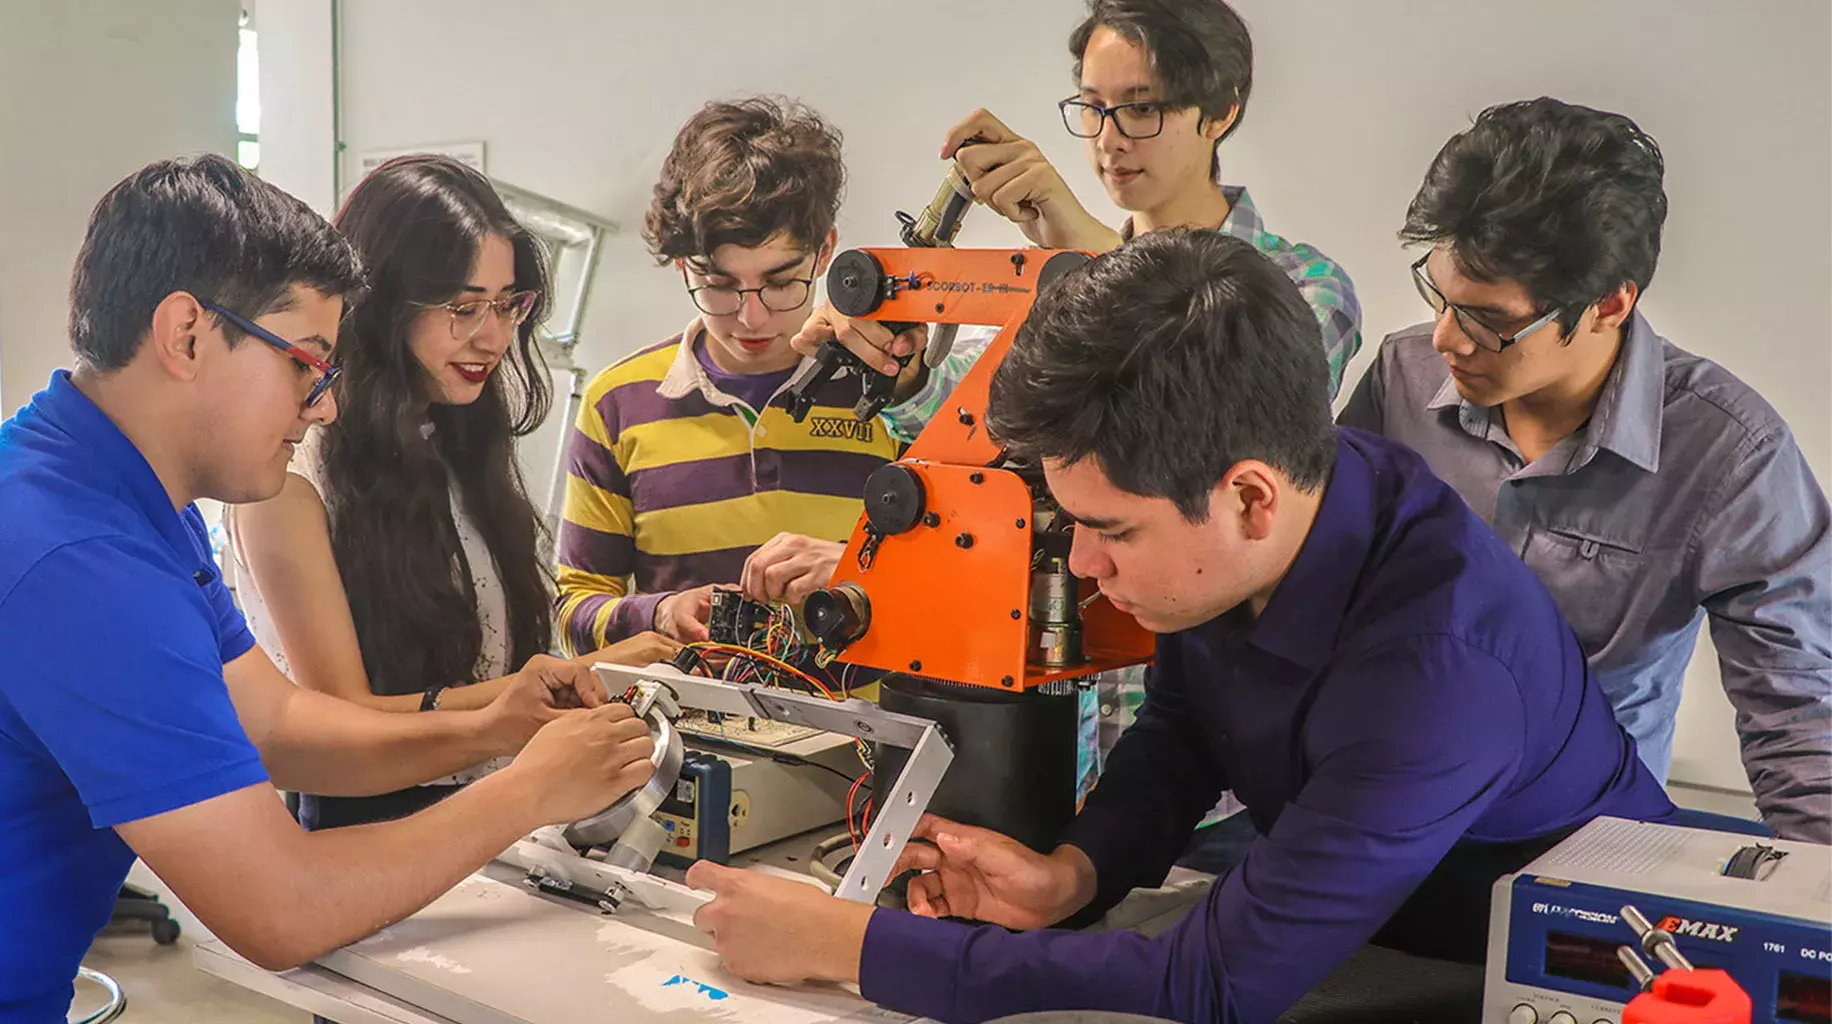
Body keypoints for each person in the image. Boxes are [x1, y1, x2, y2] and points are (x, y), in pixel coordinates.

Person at [680, 228, 1674, 1024]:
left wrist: (849, 947)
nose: (1081, 567)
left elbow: (1215, 986)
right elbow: (1187, 724)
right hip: (1358, 920)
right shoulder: (1295, 494)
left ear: (1247, 498)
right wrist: (1074, 872)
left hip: (1529, 977)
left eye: (1111, 531)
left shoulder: (1439, 672)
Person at [0, 155, 655, 1021]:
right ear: (186, 334)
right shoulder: (73, 560)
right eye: (304, 364)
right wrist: (525, 789)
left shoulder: (117, 495)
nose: (323, 407)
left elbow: (274, 725)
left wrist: (492, 726)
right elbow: (280, 909)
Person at [1338, 98, 1832, 844]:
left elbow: (1798, 720)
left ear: (1608, 302)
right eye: (1439, 296)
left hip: (1580, 837)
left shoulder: (1732, 457)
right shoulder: (1402, 377)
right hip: (1381, 805)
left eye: (1489, 320)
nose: (1446, 338)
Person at [227, 155, 676, 831]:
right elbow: (339, 723)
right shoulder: (289, 480)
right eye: (463, 308)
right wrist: (590, 670)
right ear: (381, 306)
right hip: (369, 835)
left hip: (501, 819)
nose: (492, 337)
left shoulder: (458, 441)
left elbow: (492, 666)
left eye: (506, 305)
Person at [800, 0, 1363, 450]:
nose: (1108, 140)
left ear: (1221, 112)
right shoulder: (1055, 280)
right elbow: (979, 411)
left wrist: (1097, 257)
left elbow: (1224, 427)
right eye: (1093, 106)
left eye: (1142, 109)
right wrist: (907, 373)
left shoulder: (1308, 285)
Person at [554, 98, 905, 652]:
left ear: (825, 252)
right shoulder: (616, 404)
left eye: (781, 281)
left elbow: (978, 591)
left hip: (875, 737)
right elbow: (575, 607)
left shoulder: (894, 391)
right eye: (718, 284)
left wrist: (857, 574)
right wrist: (660, 613)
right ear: (683, 266)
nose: (751, 316)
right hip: (687, 733)